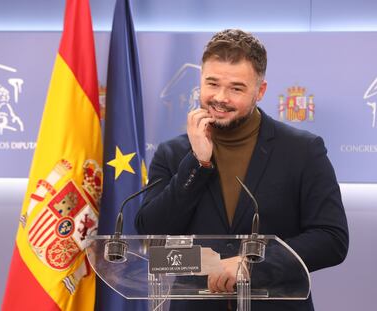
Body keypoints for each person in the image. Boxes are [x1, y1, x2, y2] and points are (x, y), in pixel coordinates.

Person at [135, 29, 349, 311]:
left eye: (236, 88)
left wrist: (252, 265)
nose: (220, 98)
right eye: (212, 84)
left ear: (260, 91)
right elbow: (151, 232)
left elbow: (331, 238)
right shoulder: (173, 153)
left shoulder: (303, 150)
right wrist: (197, 164)